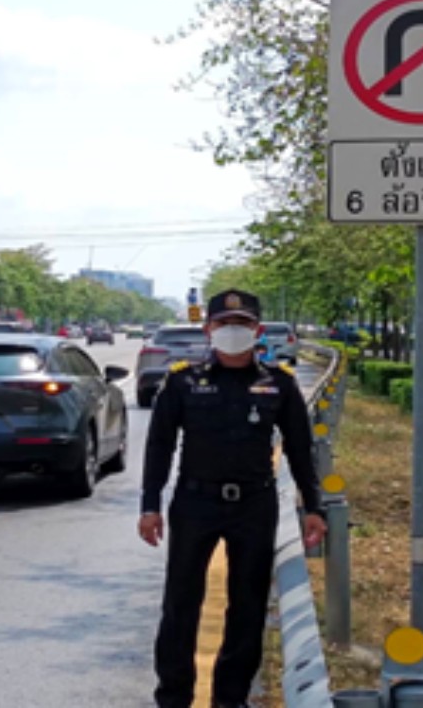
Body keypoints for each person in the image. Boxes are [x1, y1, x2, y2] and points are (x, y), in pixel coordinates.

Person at [139, 288, 327, 708]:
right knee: (180, 605)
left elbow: (300, 449)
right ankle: (173, 696)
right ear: (208, 329)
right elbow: (159, 446)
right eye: (224, 323)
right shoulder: (183, 380)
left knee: (248, 606)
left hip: (254, 506)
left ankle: (231, 697)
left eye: (242, 323)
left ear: (257, 331)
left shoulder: (278, 383)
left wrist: (313, 506)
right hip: (195, 504)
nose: (232, 330)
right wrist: (150, 506)